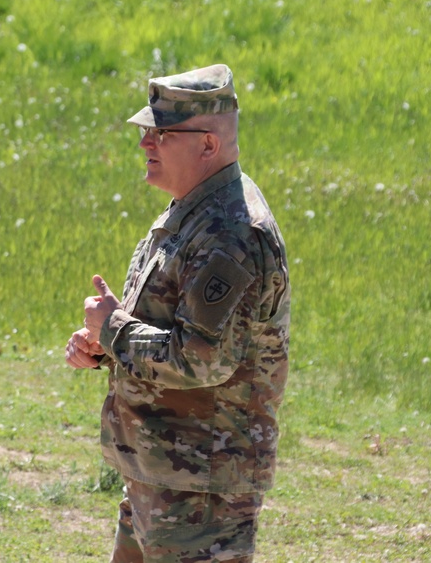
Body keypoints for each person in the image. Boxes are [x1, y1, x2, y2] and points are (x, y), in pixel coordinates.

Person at [65, 64, 290, 562]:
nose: (146, 142)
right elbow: (170, 326)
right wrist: (104, 345)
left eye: (162, 133)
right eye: (147, 130)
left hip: (203, 488)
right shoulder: (191, 208)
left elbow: (202, 358)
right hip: (162, 472)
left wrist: (116, 331)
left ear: (207, 145)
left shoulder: (233, 233)